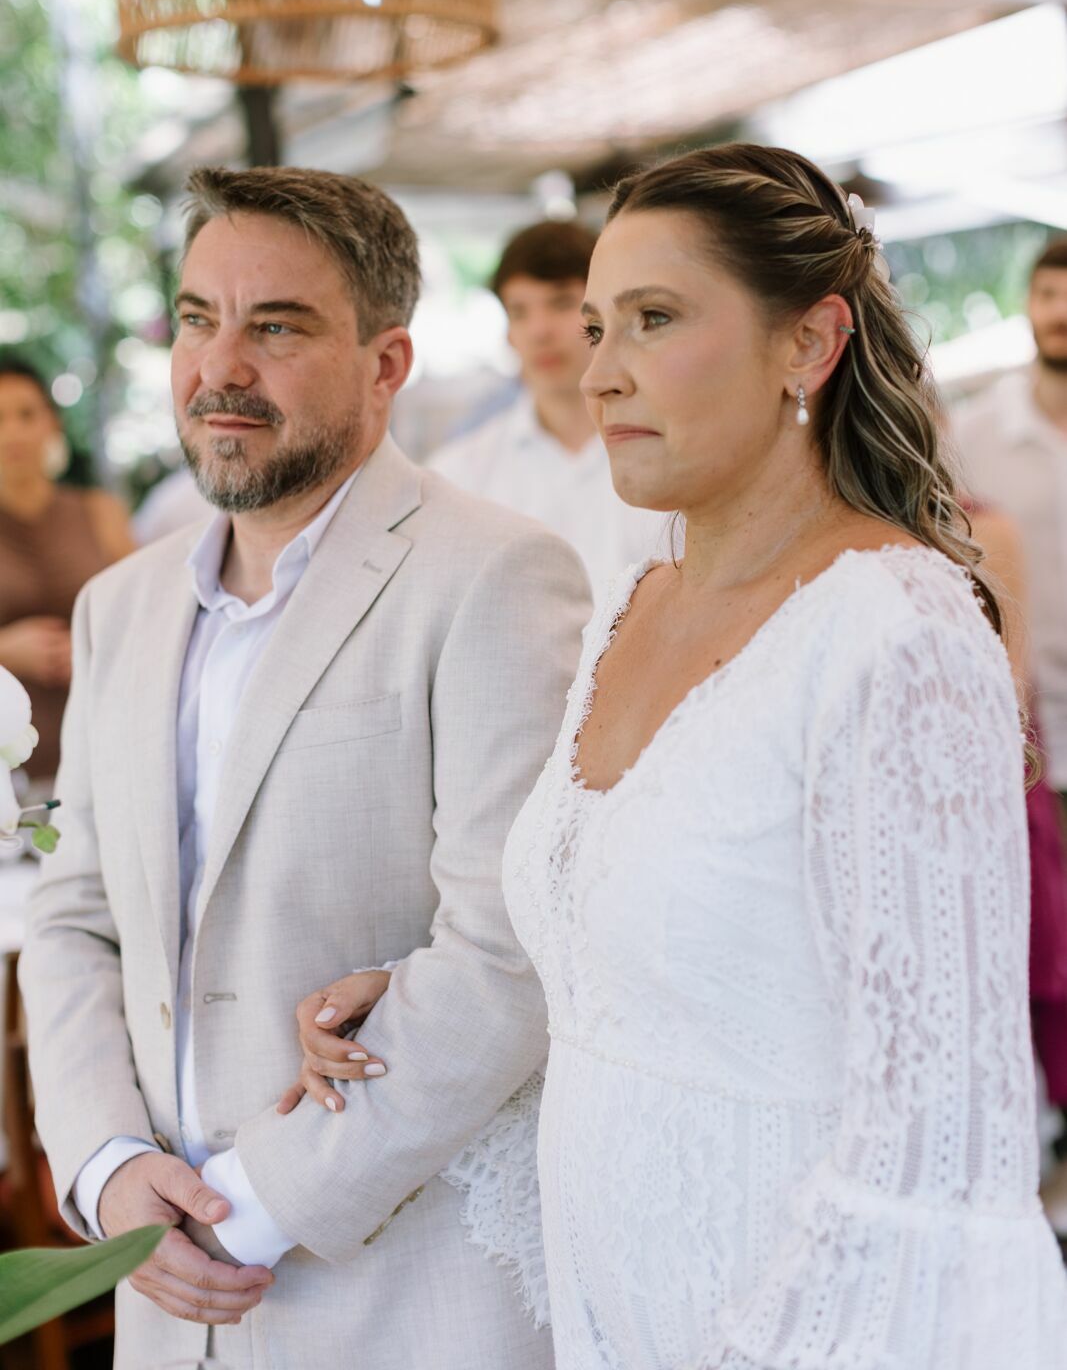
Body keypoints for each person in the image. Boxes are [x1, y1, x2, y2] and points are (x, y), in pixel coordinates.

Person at [298, 145, 1067, 1367]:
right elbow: (665, 928)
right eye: (595, 326)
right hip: (617, 1292)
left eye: (652, 320)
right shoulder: (628, 599)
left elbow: (938, 1134)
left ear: (807, 344)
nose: (600, 372)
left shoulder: (895, 630)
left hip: (804, 1319)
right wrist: (420, 988)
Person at [19, 166, 590, 1370]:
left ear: (387, 365)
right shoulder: (117, 606)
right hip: (161, 1298)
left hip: (400, 1293)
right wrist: (111, 1166)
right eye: (194, 317)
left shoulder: (497, 574)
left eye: (275, 327)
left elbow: (510, 948)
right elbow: (74, 915)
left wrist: (259, 1205)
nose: (219, 365)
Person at [428, 220, 664, 596]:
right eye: (519, 311)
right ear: (507, 331)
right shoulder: (458, 475)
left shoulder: (669, 454)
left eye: (561, 303)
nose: (539, 330)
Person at [952, 240, 1067, 803]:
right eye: (1048, 294)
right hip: (1022, 733)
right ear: (1027, 303)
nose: (1059, 311)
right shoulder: (972, 436)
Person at [0, 356, 132, 787]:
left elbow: (152, 616)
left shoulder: (100, 512)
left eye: (26, 414)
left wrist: (97, 647)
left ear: (52, 423)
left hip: (105, 752)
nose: (14, 431)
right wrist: (5, 651)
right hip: (10, 773)